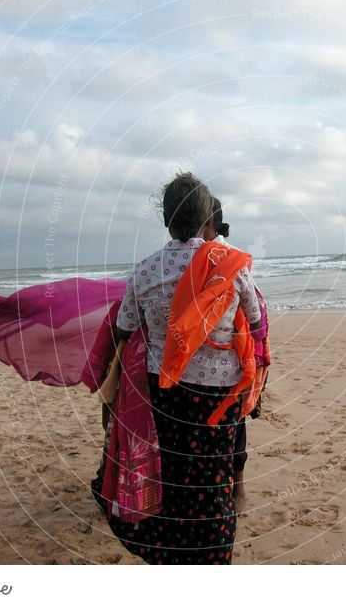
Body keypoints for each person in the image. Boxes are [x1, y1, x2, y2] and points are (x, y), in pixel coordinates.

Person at [106, 172, 261, 564]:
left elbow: (125, 326)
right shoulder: (231, 265)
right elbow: (256, 320)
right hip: (219, 396)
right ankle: (213, 554)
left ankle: (174, 552)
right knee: (213, 476)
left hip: (166, 389)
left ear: (165, 220)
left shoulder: (144, 271)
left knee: (174, 472)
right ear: (209, 217)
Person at [202, 198, 270, 511]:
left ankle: (238, 488)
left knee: (236, 422)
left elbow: (255, 309)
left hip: (232, 352)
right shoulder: (192, 253)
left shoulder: (227, 256)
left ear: (210, 224)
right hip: (205, 353)